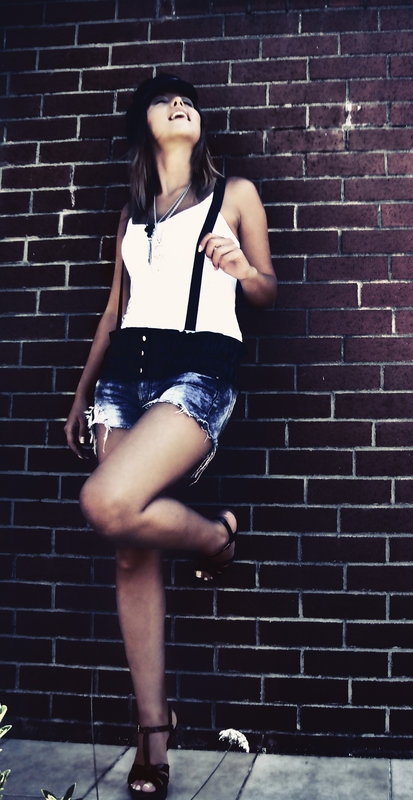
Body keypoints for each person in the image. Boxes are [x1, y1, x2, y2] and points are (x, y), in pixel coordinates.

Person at [64, 73, 276, 799]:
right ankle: (154, 733)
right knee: (130, 547)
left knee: (107, 503)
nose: (179, 104)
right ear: (143, 125)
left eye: (187, 98)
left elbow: (268, 289)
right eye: (164, 99)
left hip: (198, 370)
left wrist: (242, 268)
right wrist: (82, 392)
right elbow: (113, 311)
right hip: (123, 378)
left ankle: (216, 538)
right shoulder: (131, 214)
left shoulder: (234, 195)